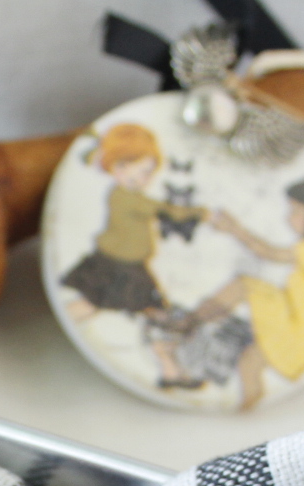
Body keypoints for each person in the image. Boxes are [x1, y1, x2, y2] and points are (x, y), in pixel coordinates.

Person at [191, 174, 304, 408]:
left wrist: (235, 229)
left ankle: (190, 322)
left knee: (245, 285)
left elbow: (271, 254)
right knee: (249, 362)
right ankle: (249, 405)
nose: (289, 217)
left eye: (297, 211)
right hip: (300, 329)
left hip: (297, 330)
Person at [57, 123, 204, 386]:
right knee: (97, 305)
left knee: (154, 313)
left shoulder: (127, 193)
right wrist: (200, 212)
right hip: (117, 266)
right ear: (118, 167)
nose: (144, 179)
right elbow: (165, 209)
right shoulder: (126, 197)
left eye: (149, 173)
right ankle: (57, 328)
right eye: (140, 171)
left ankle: (170, 372)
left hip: (130, 266)